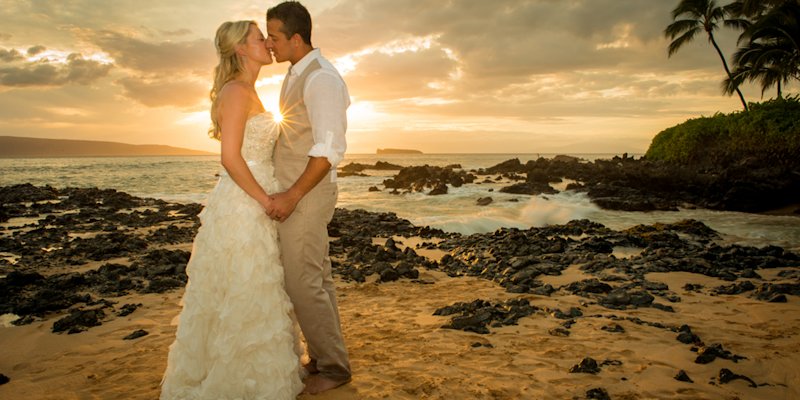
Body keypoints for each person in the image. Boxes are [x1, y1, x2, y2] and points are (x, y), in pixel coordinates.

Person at [159, 20, 304, 399]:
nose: (269, 45)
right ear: (241, 48)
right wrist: (265, 199)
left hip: (253, 196)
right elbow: (230, 157)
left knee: (252, 288)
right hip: (245, 203)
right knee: (246, 286)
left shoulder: (249, 91)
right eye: (260, 39)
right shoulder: (238, 92)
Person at [265, 1, 352, 394]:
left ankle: (333, 369)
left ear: (296, 39)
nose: (269, 44)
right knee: (318, 279)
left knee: (302, 283)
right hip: (302, 192)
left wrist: (292, 195)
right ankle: (323, 357)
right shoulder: (296, 73)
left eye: (275, 37)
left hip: (307, 194)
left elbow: (328, 149)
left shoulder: (322, 80)